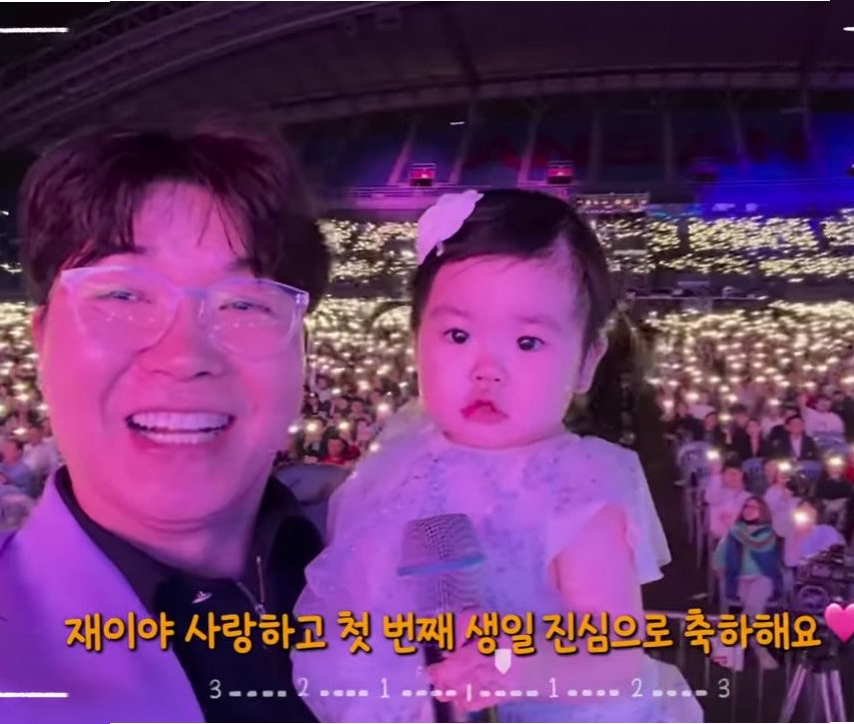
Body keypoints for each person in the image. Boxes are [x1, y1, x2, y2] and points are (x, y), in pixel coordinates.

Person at [0, 121, 331, 723]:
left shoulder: (404, 559)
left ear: (302, 353)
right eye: (123, 296)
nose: (184, 356)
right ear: (42, 342)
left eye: (245, 302)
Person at [293, 189, 700, 722]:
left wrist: (511, 668)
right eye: (458, 335)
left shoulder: (574, 485)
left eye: (527, 343)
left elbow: (615, 656)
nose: (487, 369)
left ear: (586, 360)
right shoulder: (403, 459)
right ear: (416, 341)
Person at [713, 495, 783, 670]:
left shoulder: (767, 534)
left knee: (752, 607)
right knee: (752, 613)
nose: (749, 510)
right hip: (740, 579)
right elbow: (720, 555)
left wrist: (732, 528)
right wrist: (721, 570)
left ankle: (733, 640)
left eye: (754, 507)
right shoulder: (734, 532)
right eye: (746, 506)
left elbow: (755, 544)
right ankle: (757, 645)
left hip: (762, 577)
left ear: (762, 511)